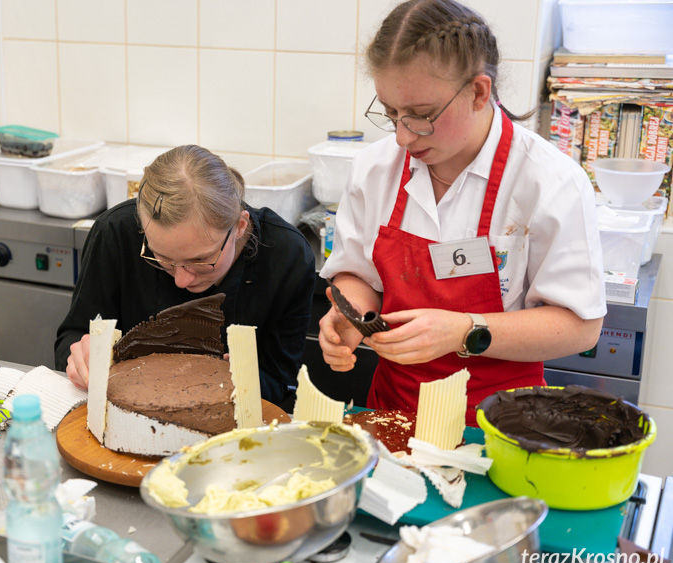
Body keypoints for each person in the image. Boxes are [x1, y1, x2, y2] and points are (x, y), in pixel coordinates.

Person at [318, 0, 606, 425]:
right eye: (390, 113)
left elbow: (579, 327)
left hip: (501, 423)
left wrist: (463, 329)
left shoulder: (549, 181)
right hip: (393, 413)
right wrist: (350, 315)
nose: (401, 136)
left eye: (420, 115)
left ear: (478, 92)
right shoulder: (374, 170)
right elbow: (358, 275)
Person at [56, 144, 316, 407]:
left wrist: (243, 379)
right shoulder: (116, 232)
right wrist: (80, 357)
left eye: (200, 260)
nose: (182, 280)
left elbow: (283, 382)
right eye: (162, 258)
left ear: (239, 226)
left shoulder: (286, 255)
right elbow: (73, 335)